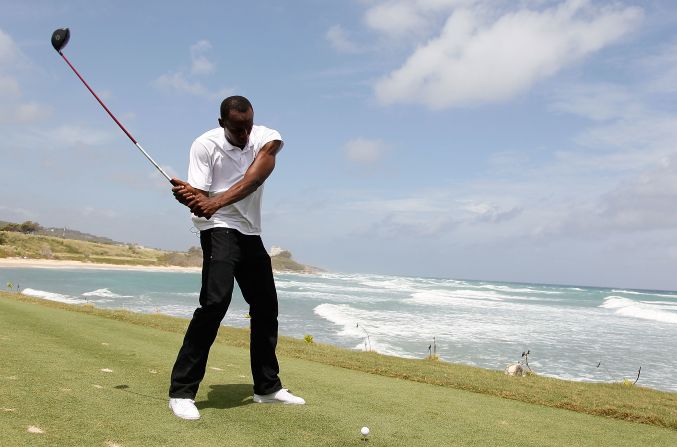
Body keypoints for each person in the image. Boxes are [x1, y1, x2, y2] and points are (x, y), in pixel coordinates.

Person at [168, 95, 304, 420]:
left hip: (250, 232)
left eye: (248, 127)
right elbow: (200, 201)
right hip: (218, 229)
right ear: (222, 124)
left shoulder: (267, 139)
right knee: (215, 303)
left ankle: (267, 388)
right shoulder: (204, 145)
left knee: (266, 306)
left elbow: (254, 179)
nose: (245, 136)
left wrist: (212, 201)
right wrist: (190, 198)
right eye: (237, 129)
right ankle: (182, 392)